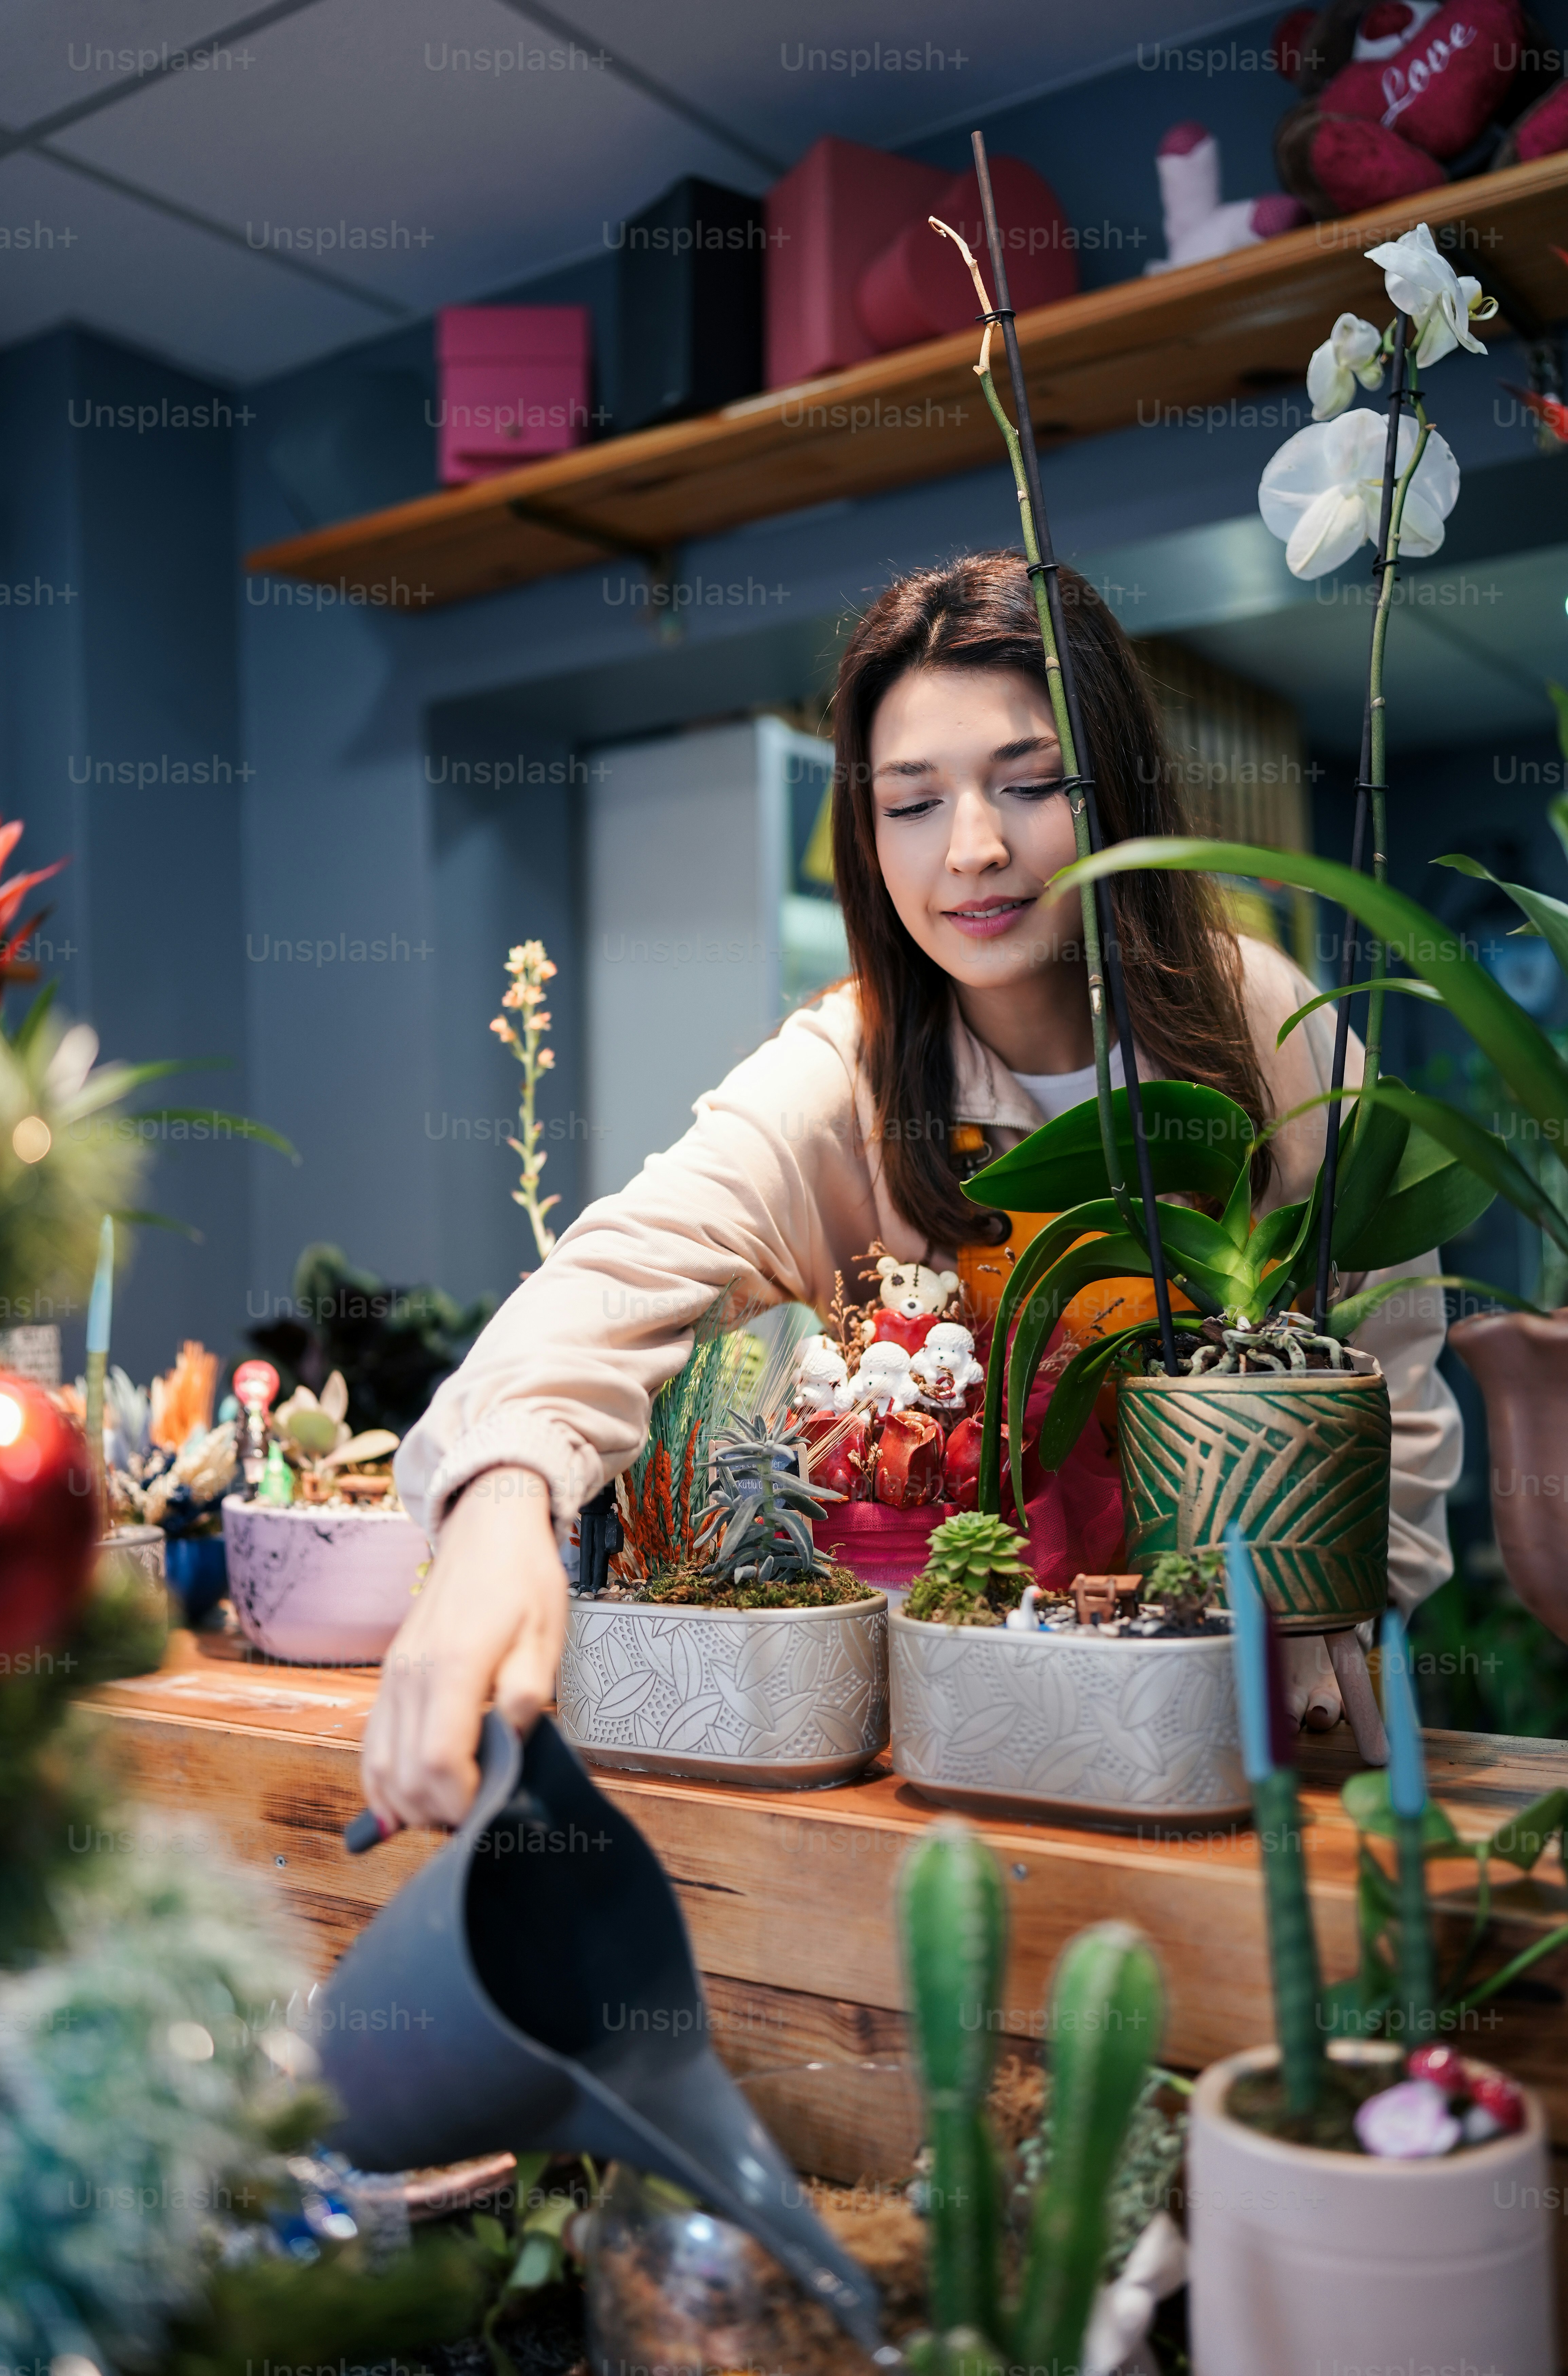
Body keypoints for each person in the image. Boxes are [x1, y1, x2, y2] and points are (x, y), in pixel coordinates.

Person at [367, 552, 1460, 1830]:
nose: (975, 850)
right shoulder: (850, 1071)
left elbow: (1394, 1376)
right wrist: (504, 1499)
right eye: (913, 802)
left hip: (1256, 1749)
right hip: (965, 1749)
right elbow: (614, 1277)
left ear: (1119, 787)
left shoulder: (1268, 1028)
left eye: (1031, 784)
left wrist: (1342, 1611)